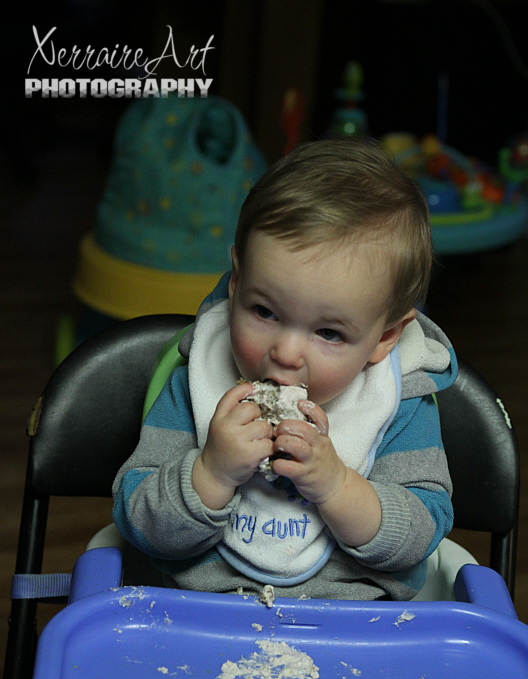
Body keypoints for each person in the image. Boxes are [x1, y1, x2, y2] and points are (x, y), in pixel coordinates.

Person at [112, 138, 457, 601]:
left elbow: (420, 533)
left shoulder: (399, 404)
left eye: (330, 333)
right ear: (236, 285)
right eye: (264, 311)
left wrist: (336, 485)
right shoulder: (196, 380)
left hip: (355, 628)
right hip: (198, 616)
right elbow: (138, 520)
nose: (287, 353)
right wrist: (211, 473)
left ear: (385, 338)